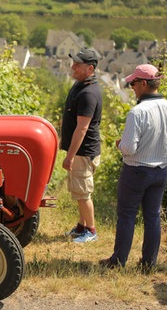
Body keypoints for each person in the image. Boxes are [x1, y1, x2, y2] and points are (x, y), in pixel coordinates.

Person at [100, 64, 167, 271]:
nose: (132, 88)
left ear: (144, 84)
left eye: (134, 83)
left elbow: (129, 148)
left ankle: (118, 261)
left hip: (136, 171)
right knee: (153, 215)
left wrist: (119, 144)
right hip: (161, 171)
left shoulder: (137, 112)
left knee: (127, 215)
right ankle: (149, 262)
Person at [61, 47, 102, 243]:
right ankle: (81, 226)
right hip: (79, 151)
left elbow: (82, 129)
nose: (73, 67)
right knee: (78, 190)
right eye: (74, 62)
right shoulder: (80, 86)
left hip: (83, 152)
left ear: (90, 68)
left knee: (84, 193)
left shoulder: (88, 93)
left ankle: (91, 231)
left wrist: (70, 156)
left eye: (78, 64)